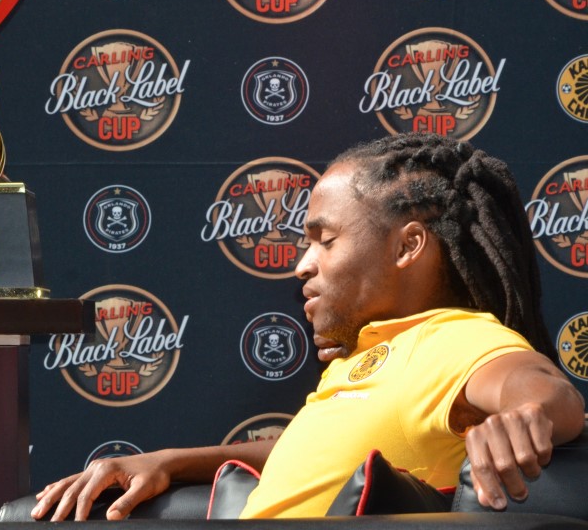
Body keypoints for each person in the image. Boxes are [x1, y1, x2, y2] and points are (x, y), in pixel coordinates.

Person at [32, 133, 585, 521]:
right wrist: (168, 463)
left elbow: (543, 387)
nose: (301, 264)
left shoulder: (452, 337)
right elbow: (307, 455)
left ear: (408, 246)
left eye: (325, 240)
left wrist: (523, 417)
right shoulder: (366, 356)